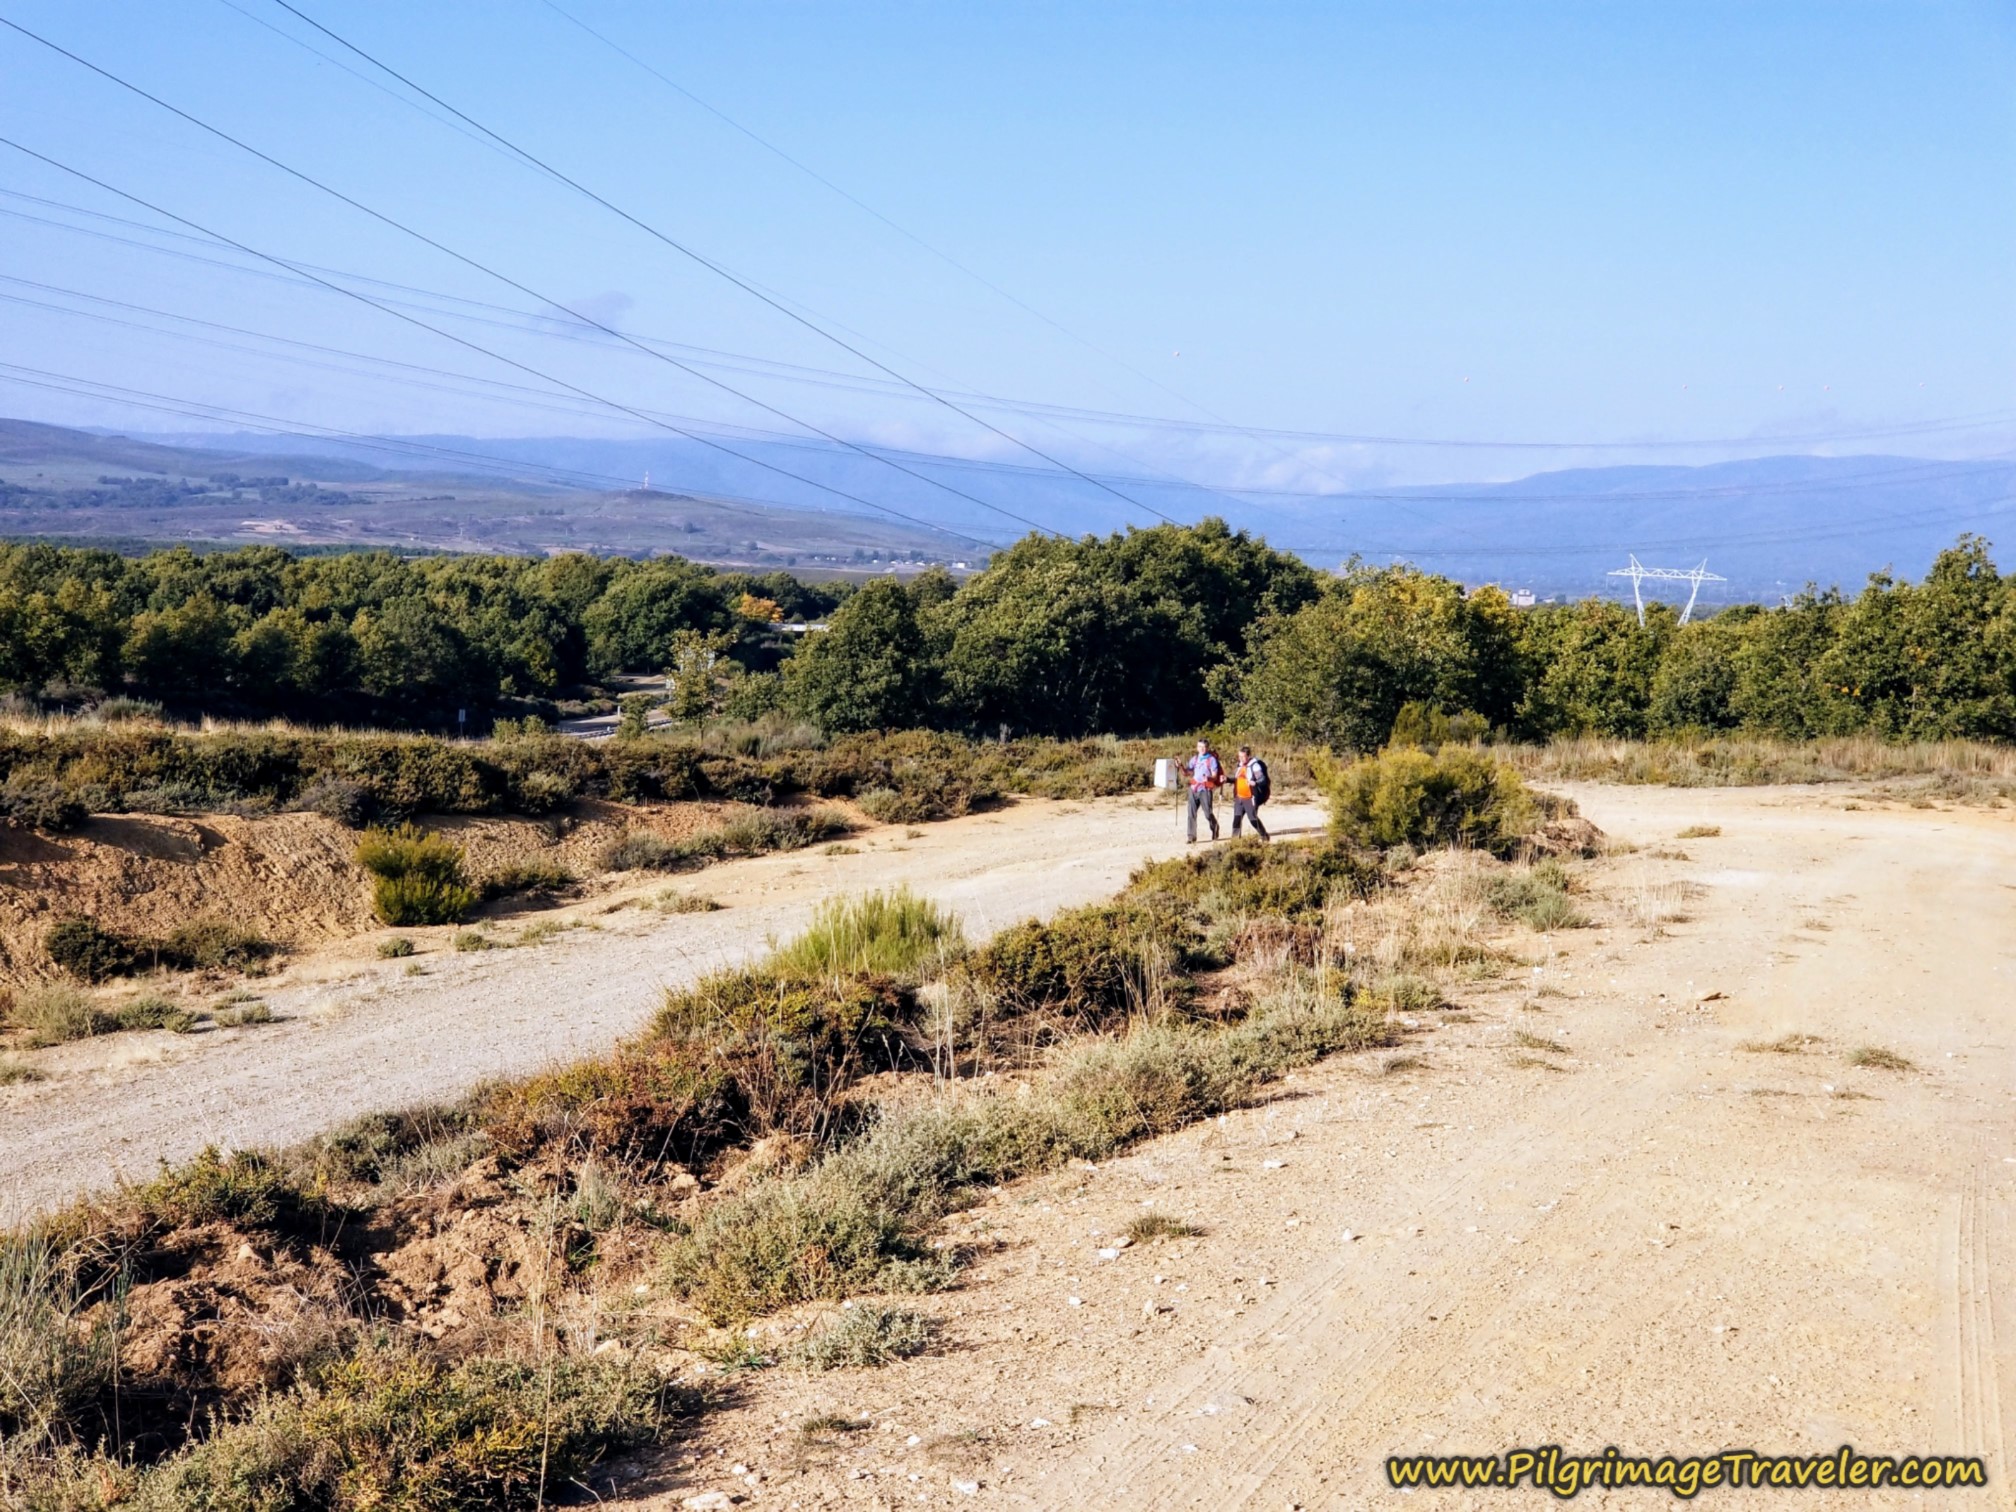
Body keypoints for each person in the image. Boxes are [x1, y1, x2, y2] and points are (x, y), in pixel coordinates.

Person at [1183, 738, 1222, 843]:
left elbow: (1214, 775)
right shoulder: (1194, 759)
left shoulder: (1212, 760)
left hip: (1205, 789)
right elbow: (1187, 772)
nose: (1202, 749)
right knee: (1191, 813)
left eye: (1204, 747)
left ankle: (1215, 828)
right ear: (1197, 747)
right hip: (1194, 788)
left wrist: (1208, 779)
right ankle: (1191, 837)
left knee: (1208, 813)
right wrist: (1181, 767)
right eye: (1200, 746)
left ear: (1207, 748)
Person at [1232, 744, 1271, 840]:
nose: (1240, 758)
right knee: (1237, 819)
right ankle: (1235, 841)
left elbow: (1262, 780)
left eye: (1243, 756)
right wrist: (1226, 779)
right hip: (1239, 797)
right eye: (1239, 756)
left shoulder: (1255, 766)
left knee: (1253, 819)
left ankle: (1264, 835)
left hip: (1250, 798)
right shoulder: (1240, 766)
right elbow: (1236, 780)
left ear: (1248, 756)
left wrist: (1255, 782)